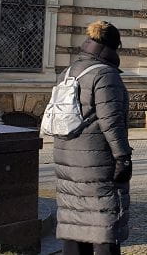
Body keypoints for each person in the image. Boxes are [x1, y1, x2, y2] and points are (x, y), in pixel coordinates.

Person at [55, 21, 133, 255]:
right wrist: (123, 158)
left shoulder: (68, 72)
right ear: (113, 46)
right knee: (102, 226)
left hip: (67, 158)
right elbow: (112, 122)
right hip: (96, 162)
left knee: (74, 223)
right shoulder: (105, 74)